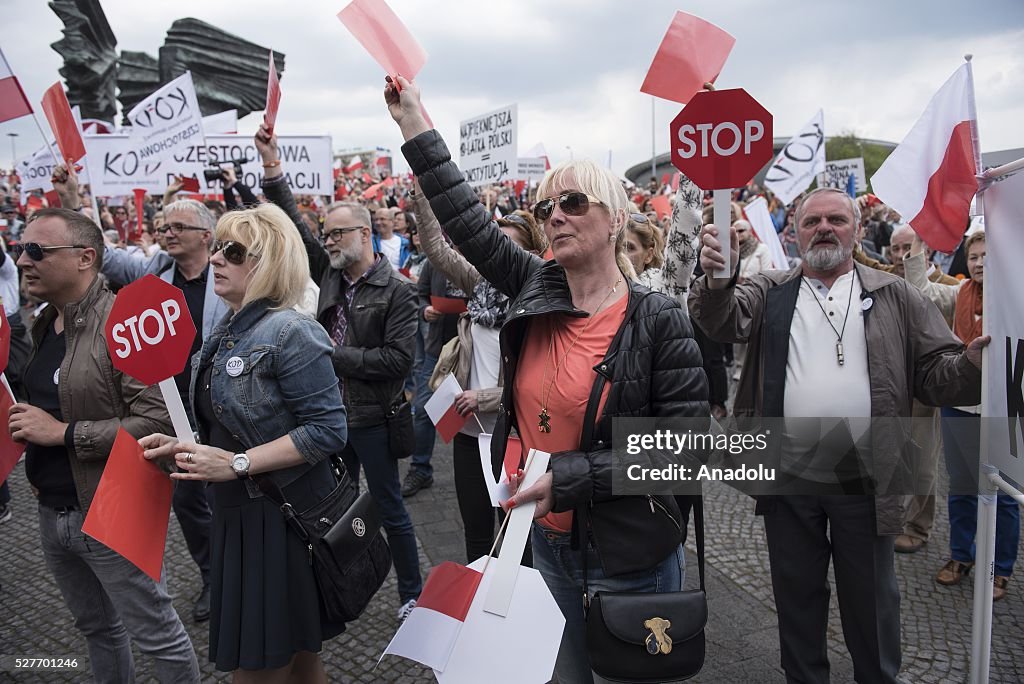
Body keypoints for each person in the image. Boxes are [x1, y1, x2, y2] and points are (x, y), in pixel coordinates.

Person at [387, 75, 707, 683]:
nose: (555, 216)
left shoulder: (657, 317)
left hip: (627, 554)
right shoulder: (534, 286)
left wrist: (571, 478)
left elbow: (684, 451)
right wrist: (411, 121)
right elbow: (462, 217)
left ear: (615, 220)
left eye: (573, 204)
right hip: (545, 545)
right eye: (545, 208)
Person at [690, 187, 988, 683]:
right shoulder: (770, 290)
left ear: (855, 229)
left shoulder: (896, 294)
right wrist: (719, 276)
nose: (823, 228)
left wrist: (974, 364)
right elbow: (720, 318)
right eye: (811, 221)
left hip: (867, 479)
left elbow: (935, 373)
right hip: (790, 476)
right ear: (795, 232)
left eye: (835, 219)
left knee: (871, 601)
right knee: (797, 596)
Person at [139, 203, 347, 680]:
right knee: (300, 661)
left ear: (268, 260)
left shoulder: (293, 330)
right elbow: (229, 424)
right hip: (238, 516)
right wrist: (184, 445)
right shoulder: (226, 330)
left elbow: (328, 430)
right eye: (216, 248)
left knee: (261, 668)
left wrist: (236, 463)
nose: (215, 259)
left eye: (232, 251)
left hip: (278, 521)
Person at [11, 207, 199, 682]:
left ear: (84, 258)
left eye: (36, 251)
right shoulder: (41, 323)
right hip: (53, 511)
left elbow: (158, 419)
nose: (22, 260)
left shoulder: (125, 320)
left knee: (157, 634)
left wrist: (64, 435)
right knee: (96, 629)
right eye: (20, 249)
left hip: (108, 509)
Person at [53, 165, 225, 623]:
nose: (166, 233)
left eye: (177, 228)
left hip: (222, 408)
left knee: (231, 494)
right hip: (175, 414)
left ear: (206, 236)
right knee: (190, 502)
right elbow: (101, 257)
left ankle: (241, 573)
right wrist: (72, 200)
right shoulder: (154, 270)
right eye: (163, 227)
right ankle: (212, 579)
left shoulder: (228, 277)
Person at [413, 190, 547, 560]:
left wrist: (483, 398)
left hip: (513, 437)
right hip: (469, 435)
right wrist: (423, 197)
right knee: (475, 532)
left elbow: (537, 382)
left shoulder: (537, 301)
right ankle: (475, 604)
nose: (493, 253)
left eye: (505, 246)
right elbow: (436, 249)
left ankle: (514, 607)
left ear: (528, 256)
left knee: (514, 534)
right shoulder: (478, 283)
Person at [904, 229, 1018, 599]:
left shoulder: (1017, 297)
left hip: (1004, 407)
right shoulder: (959, 293)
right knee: (963, 485)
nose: (980, 262)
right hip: (961, 406)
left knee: (1003, 488)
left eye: (988, 255)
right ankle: (960, 556)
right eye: (974, 257)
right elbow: (921, 289)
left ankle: (999, 569)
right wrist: (919, 238)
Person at [862, 222, 961, 554]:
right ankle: (890, 515)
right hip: (890, 381)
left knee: (921, 460)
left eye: (908, 248)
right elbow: (862, 259)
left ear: (924, 249)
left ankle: (919, 526)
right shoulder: (888, 279)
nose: (901, 255)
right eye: (895, 249)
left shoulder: (949, 286)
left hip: (926, 385)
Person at [373, 206, 411, 270]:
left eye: (382, 219)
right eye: (376, 219)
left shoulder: (405, 243)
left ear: (392, 221)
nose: (378, 222)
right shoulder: (370, 242)